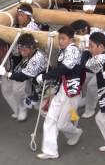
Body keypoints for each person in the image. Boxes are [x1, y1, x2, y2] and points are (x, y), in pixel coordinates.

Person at [35, 26, 83, 159]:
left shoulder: (73, 50)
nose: (60, 41)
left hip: (72, 92)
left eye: (63, 38)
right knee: (50, 118)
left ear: (71, 39)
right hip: (62, 89)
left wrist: (45, 76)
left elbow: (64, 69)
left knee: (62, 124)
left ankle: (76, 132)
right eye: (59, 38)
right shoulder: (64, 50)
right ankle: (51, 151)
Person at [0, 33, 48, 121]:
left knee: (45, 111)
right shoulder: (32, 52)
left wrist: (5, 73)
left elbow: (22, 77)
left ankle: (68, 119)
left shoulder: (36, 59)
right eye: (20, 50)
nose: (22, 52)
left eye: (24, 50)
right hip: (38, 86)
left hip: (48, 87)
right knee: (39, 107)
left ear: (31, 47)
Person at [70, 19, 105, 118]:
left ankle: (90, 109)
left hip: (104, 65)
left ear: (85, 29)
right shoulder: (85, 36)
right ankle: (86, 99)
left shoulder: (96, 35)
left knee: (92, 86)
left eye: (77, 32)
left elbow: (88, 55)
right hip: (90, 65)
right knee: (85, 81)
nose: (76, 35)